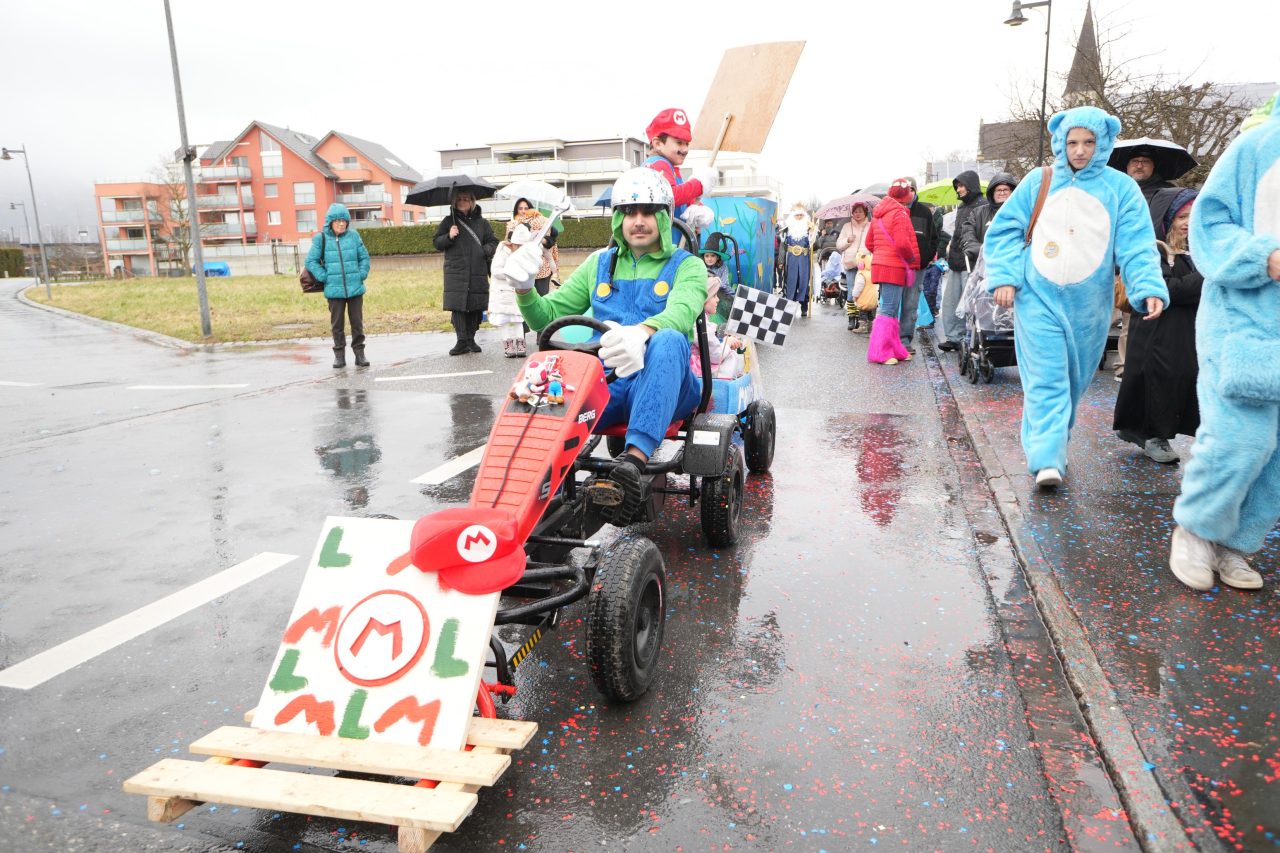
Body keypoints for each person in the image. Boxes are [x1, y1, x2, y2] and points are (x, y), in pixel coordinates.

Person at [507, 167, 705, 525]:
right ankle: (524, 471)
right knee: (553, 360)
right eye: (629, 212)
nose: (638, 221)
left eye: (647, 211)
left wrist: (642, 332)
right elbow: (547, 318)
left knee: (669, 339)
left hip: (670, 386)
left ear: (665, 216)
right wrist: (524, 290)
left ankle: (632, 464)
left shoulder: (686, 265)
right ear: (618, 218)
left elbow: (682, 310)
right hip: (608, 387)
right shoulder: (599, 264)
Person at [984, 105, 1167, 488]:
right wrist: (1005, 277)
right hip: (1038, 297)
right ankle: (1047, 458)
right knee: (1047, 379)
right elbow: (1004, 232)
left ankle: (1053, 438)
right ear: (1059, 142)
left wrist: (1146, 285)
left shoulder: (1121, 189)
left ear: (1103, 143)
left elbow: (1135, 245)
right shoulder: (1039, 180)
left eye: (1088, 142)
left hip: (1089, 306)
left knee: (1074, 380)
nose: (1080, 150)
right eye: (1072, 142)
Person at [1167, 94, 1280, 592]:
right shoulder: (1256, 146)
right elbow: (1209, 225)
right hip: (1246, 320)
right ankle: (1196, 530)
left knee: (1277, 456)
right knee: (1241, 439)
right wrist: (1265, 257)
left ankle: (1237, 543)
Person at [1113, 188, 1201, 463]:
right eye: (1182, 216)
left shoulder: (1197, 248)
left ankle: (1153, 431)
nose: (1187, 222)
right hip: (1156, 329)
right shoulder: (1155, 249)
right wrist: (1206, 277)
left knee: (1184, 376)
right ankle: (1152, 435)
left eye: (1192, 215)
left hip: (1186, 328)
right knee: (1158, 378)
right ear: (1169, 218)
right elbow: (1169, 289)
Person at [1111, 147, 1178, 381]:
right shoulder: (1114, 190)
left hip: (1141, 267)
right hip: (1109, 267)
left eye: (1144, 162)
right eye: (1135, 161)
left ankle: (1125, 368)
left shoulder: (1167, 193)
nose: (1139, 165)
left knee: (1133, 320)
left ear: (1153, 166)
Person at [305, 203, 371, 369]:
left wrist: (361, 274)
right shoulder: (321, 239)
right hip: (334, 290)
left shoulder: (354, 236)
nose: (342, 223)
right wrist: (324, 277)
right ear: (330, 222)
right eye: (338, 220)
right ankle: (339, 356)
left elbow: (364, 257)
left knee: (357, 323)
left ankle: (359, 354)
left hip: (355, 288)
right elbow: (310, 261)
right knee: (337, 325)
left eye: (344, 220)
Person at [434, 188, 498, 356]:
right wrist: (449, 235)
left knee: (475, 305)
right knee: (459, 306)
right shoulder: (449, 221)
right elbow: (437, 242)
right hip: (456, 271)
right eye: (459, 199)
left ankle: (471, 338)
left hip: (477, 269)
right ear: (455, 202)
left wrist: (485, 250)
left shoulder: (482, 223)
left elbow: (493, 242)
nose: (462, 201)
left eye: (466, 199)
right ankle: (461, 340)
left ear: (472, 201)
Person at [863, 179, 920, 365]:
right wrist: (911, 258)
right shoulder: (899, 214)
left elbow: (869, 243)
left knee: (892, 309)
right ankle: (880, 352)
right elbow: (903, 243)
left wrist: (882, 253)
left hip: (882, 265)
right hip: (895, 266)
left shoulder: (879, 213)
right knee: (888, 309)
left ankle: (895, 348)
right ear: (906, 196)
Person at [643, 108, 717, 226]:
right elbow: (669, 196)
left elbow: (680, 199)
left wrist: (697, 209)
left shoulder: (668, 167)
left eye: (687, 143)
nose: (685, 149)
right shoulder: (658, 164)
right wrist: (699, 184)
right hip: (665, 243)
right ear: (658, 144)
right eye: (679, 142)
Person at [940, 170, 988, 350]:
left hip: (972, 263)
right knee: (952, 301)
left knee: (970, 302)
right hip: (956, 261)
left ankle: (971, 338)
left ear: (970, 185)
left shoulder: (983, 206)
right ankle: (954, 337)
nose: (958, 189)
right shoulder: (961, 208)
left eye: (961, 185)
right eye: (957, 186)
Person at [897, 178, 946, 354]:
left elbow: (934, 237)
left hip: (917, 267)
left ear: (914, 191)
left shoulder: (924, 212)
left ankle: (905, 339)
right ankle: (891, 338)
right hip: (895, 265)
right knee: (892, 304)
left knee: (910, 303)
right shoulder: (894, 210)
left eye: (910, 189)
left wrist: (925, 258)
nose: (906, 193)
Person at [838, 201, 872, 330]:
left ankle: (866, 318)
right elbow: (839, 245)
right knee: (852, 291)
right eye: (855, 212)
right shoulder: (847, 226)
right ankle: (852, 318)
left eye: (860, 211)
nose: (858, 214)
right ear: (852, 213)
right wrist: (847, 240)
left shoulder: (871, 225)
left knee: (865, 291)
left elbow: (875, 243)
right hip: (851, 262)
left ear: (865, 213)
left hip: (866, 263)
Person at [781, 204, 814, 316]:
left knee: (804, 281)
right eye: (797, 215)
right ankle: (790, 306)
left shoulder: (809, 228)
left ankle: (804, 306)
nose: (799, 217)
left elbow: (815, 244)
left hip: (804, 259)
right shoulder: (786, 230)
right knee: (791, 281)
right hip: (791, 259)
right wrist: (781, 261)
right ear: (792, 217)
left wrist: (813, 233)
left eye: (801, 215)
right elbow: (782, 246)